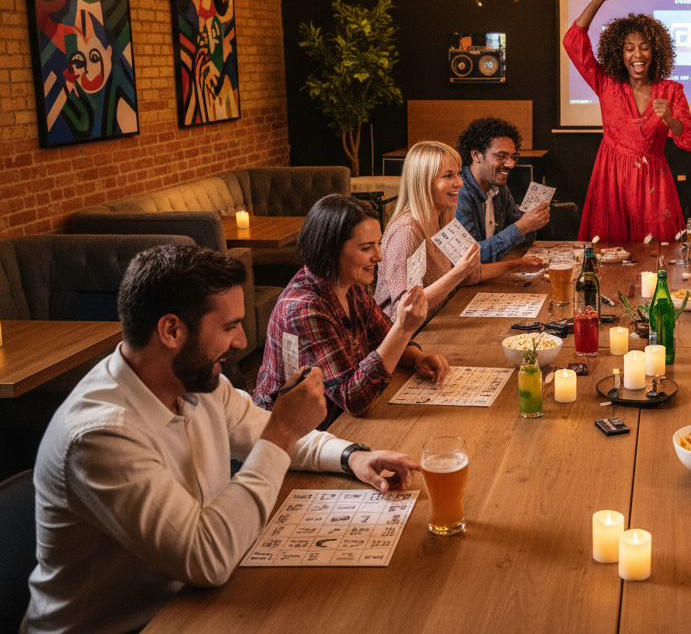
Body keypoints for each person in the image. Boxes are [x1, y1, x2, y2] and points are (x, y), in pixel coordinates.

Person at [24, 244, 420, 634]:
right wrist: (281, 433)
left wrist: (351, 456)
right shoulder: (101, 435)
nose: (242, 342)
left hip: (195, 602)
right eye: (229, 326)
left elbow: (266, 428)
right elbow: (207, 556)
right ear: (172, 330)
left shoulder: (197, 381)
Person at [253, 194, 449, 418]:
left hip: (334, 420)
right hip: (294, 433)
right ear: (331, 251)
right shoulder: (305, 308)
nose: (379, 256)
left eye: (378, 243)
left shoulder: (350, 285)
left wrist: (416, 357)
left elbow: (383, 339)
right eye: (366, 248)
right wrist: (403, 328)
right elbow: (354, 400)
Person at [563, 0, 691, 242]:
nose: (637, 55)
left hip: (653, 184)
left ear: (656, 51)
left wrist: (670, 120)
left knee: (656, 257)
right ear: (619, 53)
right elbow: (573, 43)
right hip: (610, 180)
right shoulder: (607, 84)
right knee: (608, 258)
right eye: (629, 48)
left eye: (644, 47)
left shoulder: (671, 91)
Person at [379, 141, 543, 321]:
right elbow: (406, 308)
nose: (459, 183)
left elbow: (471, 274)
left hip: (437, 323)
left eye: (458, 174)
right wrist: (458, 273)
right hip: (408, 339)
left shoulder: (446, 221)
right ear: (422, 181)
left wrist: (517, 265)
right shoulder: (407, 231)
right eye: (448, 176)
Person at [455, 117, 550, 263]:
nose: (510, 164)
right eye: (501, 156)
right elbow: (471, 257)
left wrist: (532, 221)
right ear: (476, 155)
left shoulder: (499, 188)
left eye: (513, 157)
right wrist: (522, 226)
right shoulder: (459, 192)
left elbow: (521, 240)